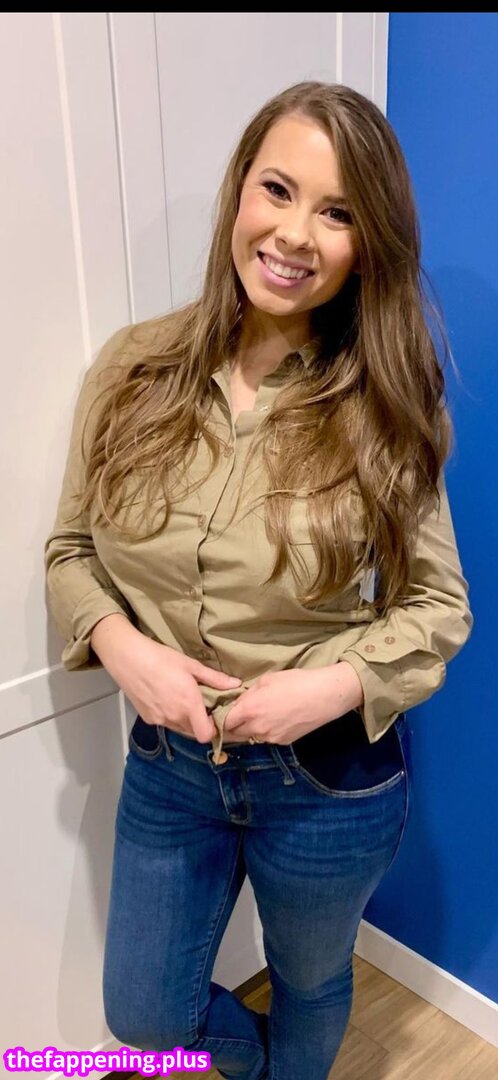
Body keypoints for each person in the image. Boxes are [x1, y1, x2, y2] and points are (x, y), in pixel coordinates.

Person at [44, 81, 473, 1080]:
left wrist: (322, 689)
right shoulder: (132, 369)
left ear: (368, 245)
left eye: (338, 212)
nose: (294, 234)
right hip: (170, 765)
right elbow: (70, 550)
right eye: (277, 189)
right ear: (240, 188)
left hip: (328, 781)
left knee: (310, 981)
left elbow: (437, 606)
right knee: (145, 1016)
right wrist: (125, 649)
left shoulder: (387, 405)